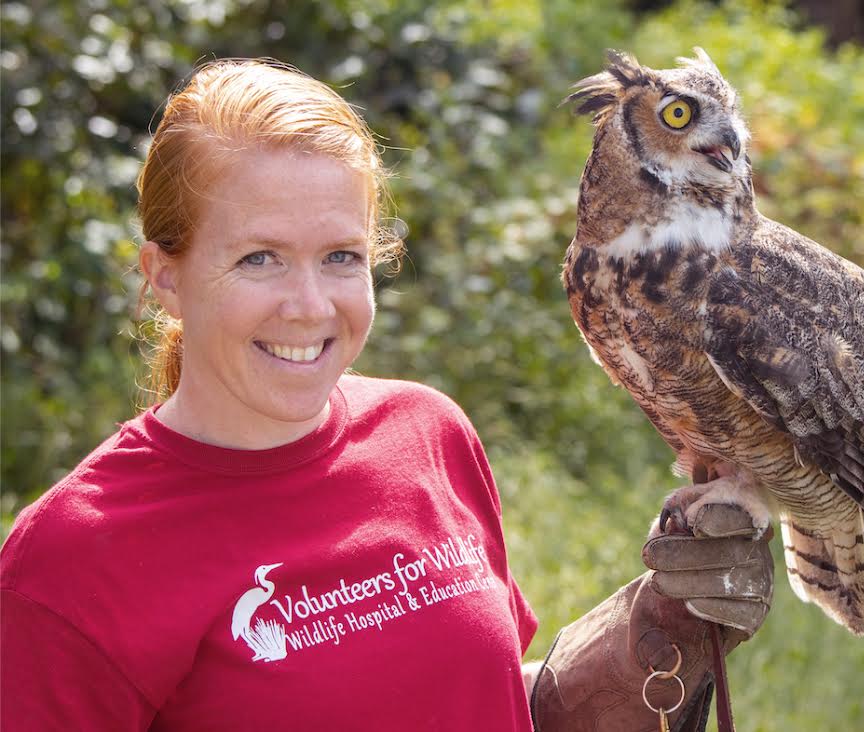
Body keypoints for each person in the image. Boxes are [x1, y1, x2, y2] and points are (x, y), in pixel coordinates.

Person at [0, 58, 773, 731]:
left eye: (340, 255)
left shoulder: (426, 434)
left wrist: (655, 635)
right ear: (164, 275)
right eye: (259, 259)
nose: (308, 304)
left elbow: (485, 701)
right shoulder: (72, 562)